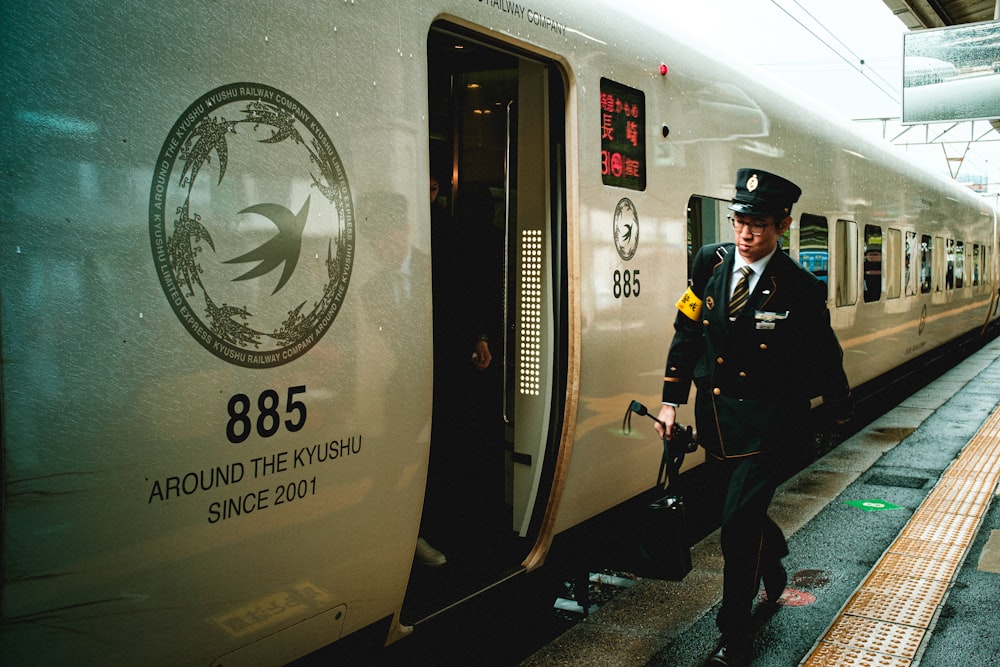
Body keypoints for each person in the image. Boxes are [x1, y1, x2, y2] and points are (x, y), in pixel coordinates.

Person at [654, 168, 853, 667]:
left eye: (759, 225)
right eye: (741, 220)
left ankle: (733, 635)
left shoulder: (801, 287)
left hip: (768, 425)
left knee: (736, 529)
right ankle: (774, 559)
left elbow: (825, 355)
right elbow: (687, 331)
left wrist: (836, 410)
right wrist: (669, 400)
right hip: (718, 417)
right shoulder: (709, 262)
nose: (746, 233)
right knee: (739, 516)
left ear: (782, 225)